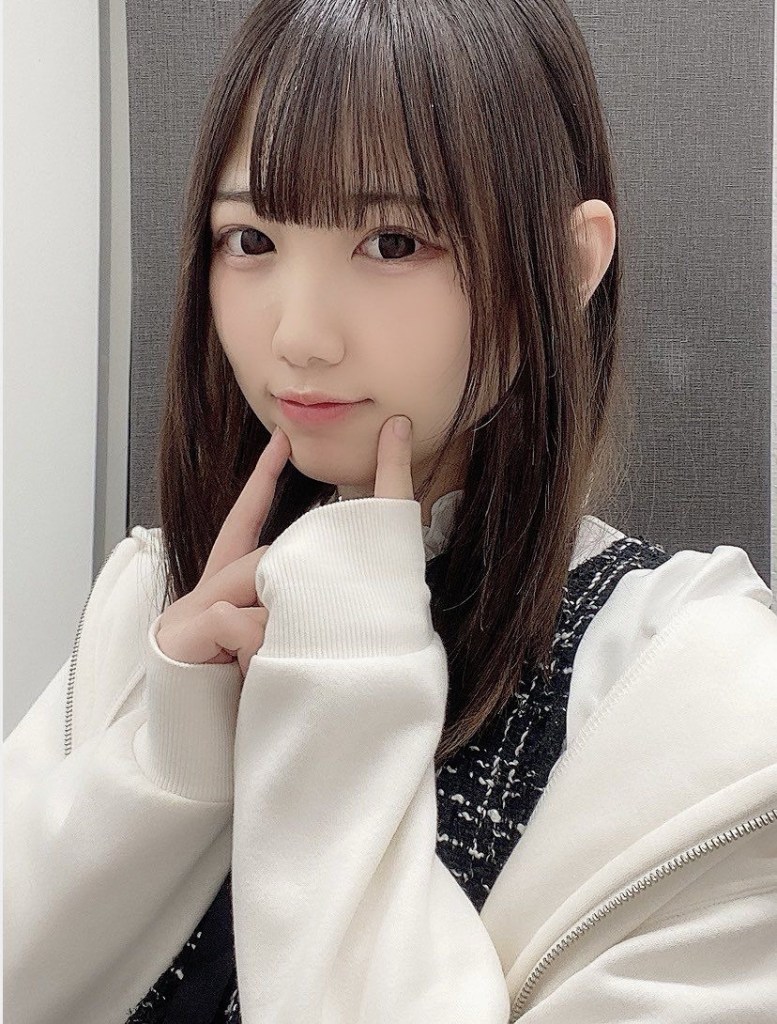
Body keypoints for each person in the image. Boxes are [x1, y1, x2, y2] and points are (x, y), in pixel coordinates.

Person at [4, 0, 777, 1021]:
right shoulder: (153, 601)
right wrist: (163, 760)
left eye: (394, 240)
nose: (299, 336)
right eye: (251, 238)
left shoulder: (698, 693)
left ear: (569, 263)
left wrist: (343, 697)